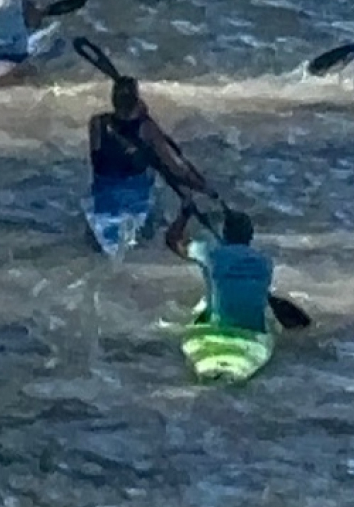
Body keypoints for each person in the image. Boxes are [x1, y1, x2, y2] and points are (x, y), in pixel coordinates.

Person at [88, 74, 216, 218]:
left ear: (113, 99)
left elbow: (97, 157)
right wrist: (205, 189)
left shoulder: (97, 123)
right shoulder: (147, 129)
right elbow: (173, 168)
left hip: (103, 198)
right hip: (135, 199)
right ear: (136, 100)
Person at [167, 204, 274, 335]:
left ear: (224, 233)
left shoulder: (210, 254)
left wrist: (184, 215)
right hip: (255, 331)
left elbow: (173, 241)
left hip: (219, 328)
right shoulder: (266, 261)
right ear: (250, 235)